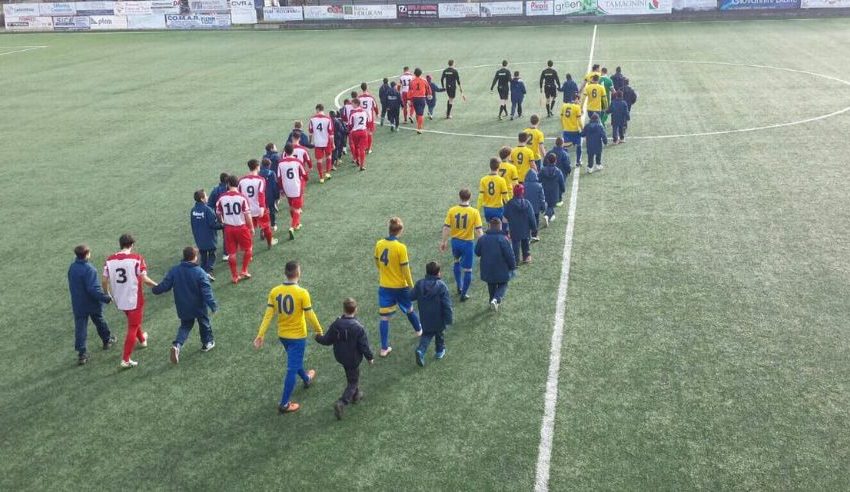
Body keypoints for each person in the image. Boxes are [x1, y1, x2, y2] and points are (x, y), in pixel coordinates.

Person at [254, 261, 323, 414]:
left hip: (283, 335)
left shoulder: (275, 291)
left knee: (295, 361)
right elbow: (310, 314)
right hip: (298, 336)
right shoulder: (302, 293)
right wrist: (319, 330)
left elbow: (268, 316)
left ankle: (306, 378)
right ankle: (284, 404)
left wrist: (260, 334)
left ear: (285, 273)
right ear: (298, 273)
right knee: (292, 368)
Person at [152, 246, 218, 364]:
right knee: (204, 322)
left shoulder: (175, 270)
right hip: (198, 306)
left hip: (182, 306)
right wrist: (213, 305)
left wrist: (155, 289)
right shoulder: (200, 272)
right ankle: (207, 342)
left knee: (185, 326)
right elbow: (206, 292)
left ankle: (177, 345)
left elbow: (164, 286)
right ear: (195, 257)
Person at [103, 233, 158, 369]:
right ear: (132, 245)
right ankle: (125, 359)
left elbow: (104, 280)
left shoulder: (109, 260)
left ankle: (142, 339)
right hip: (134, 297)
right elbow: (144, 279)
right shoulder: (137, 258)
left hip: (119, 298)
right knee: (132, 326)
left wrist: (108, 294)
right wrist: (158, 286)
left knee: (134, 321)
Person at [314, 297, 374, 420]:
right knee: (353, 382)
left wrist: (317, 337)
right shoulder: (358, 327)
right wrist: (370, 357)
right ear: (355, 310)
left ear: (344, 309)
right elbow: (363, 346)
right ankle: (342, 402)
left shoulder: (337, 323)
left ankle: (356, 395)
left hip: (340, 356)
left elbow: (327, 340)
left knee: (351, 374)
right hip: (353, 358)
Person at [374, 217, 422, 357]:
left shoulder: (379, 244)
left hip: (385, 286)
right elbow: (405, 270)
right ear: (400, 230)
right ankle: (419, 330)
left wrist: (385, 272)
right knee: (409, 309)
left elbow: (377, 262)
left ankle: (384, 349)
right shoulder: (401, 247)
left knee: (384, 318)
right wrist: (412, 286)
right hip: (401, 287)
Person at [68, 244, 114, 365]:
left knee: (80, 328)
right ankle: (107, 340)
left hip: (78, 303)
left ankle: (82, 354)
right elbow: (93, 289)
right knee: (99, 320)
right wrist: (106, 298)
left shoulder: (72, 268)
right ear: (87, 254)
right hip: (92, 303)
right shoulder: (89, 269)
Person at [440, 188, 483, 301]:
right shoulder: (474, 212)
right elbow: (478, 230)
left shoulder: (452, 210)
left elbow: (446, 227)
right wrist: (483, 243)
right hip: (467, 243)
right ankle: (463, 294)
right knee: (468, 270)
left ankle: (459, 286)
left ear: (459, 197)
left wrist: (444, 241)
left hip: (455, 242)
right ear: (470, 197)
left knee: (456, 262)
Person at [411, 262, 453, 367]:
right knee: (439, 334)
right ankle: (439, 351)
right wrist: (449, 319)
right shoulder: (441, 286)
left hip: (425, 317)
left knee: (427, 334)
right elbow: (447, 304)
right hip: (438, 317)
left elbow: (411, 296)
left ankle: (421, 350)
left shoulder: (420, 284)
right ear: (438, 273)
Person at [215, 175, 254, 284]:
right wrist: (251, 227)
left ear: (228, 184)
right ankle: (244, 270)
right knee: (248, 248)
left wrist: (222, 221)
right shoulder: (242, 197)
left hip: (228, 228)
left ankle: (234, 276)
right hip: (241, 227)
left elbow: (217, 213)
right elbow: (247, 215)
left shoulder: (222, 197)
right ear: (237, 184)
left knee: (231, 253)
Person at [474, 218, 517, 310]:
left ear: (489, 226)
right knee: (504, 283)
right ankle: (496, 299)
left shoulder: (482, 239)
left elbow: (477, 252)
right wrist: (513, 266)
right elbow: (510, 255)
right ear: (500, 227)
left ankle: (491, 301)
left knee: (491, 284)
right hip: (501, 267)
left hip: (487, 268)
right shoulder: (503, 239)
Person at [239, 159, 277, 250]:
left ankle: (249, 250)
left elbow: (240, 196)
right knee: (266, 226)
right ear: (257, 167)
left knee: (249, 230)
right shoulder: (260, 180)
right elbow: (261, 194)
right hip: (259, 208)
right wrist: (261, 207)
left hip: (247, 210)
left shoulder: (241, 180)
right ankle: (269, 243)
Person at [277, 143, 309, 240]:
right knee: (298, 208)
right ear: (292, 151)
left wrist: (281, 189)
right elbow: (304, 174)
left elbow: (279, 178)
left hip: (287, 188)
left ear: (285, 152)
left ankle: (297, 223)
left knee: (291, 206)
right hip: (296, 187)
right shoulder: (297, 161)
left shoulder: (280, 163)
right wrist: (306, 178)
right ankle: (292, 227)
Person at [190, 189, 222, 281]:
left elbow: (192, 224)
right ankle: (208, 272)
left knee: (203, 257)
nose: (207, 197)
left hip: (199, 238)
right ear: (202, 199)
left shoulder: (193, 210)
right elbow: (213, 224)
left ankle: (202, 274)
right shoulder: (207, 209)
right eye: (205, 196)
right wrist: (223, 226)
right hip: (210, 238)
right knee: (212, 255)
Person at [503, 184, 536, 264]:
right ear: (523, 192)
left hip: (514, 228)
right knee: (525, 243)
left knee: (515, 244)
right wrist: (534, 228)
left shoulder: (509, 204)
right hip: (525, 228)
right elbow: (532, 217)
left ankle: (516, 260)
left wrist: (506, 230)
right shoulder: (527, 203)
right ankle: (526, 257)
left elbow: (504, 219)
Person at [476, 158, 510, 223]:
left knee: (490, 227)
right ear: (499, 166)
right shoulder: (501, 180)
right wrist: (509, 207)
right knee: (500, 227)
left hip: (487, 209)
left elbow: (480, 197)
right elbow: (505, 197)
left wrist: (477, 209)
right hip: (498, 208)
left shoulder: (483, 179)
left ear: (490, 166)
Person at [308, 103, 335, 183]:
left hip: (317, 142)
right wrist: (333, 143)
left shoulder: (312, 119)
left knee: (319, 160)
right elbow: (331, 134)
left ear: (317, 109)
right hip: (327, 142)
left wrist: (310, 141)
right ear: (322, 109)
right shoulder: (328, 119)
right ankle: (328, 173)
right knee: (329, 156)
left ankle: (321, 178)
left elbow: (310, 132)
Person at [539, 154, 566, 227]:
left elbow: (538, 179)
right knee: (551, 205)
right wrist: (563, 189)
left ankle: (550, 215)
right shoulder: (558, 171)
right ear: (555, 161)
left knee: (548, 204)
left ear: (547, 160)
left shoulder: (543, 170)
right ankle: (547, 216)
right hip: (554, 191)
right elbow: (561, 182)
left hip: (544, 190)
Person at [208, 172, 230, 260]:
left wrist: (215, 215)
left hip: (219, 215)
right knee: (228, 233)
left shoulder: (215, 190)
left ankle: (227, 252)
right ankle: (226, 253)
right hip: (229, 215)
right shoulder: (228, 190)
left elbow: (210, 205)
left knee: (226, 233)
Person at [560, 94, 584, 167]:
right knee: (579, 146)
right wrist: (583, 129)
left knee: (566, 147)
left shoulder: (564, 106)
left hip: (566, 130)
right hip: (575, 131)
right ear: (576, 99)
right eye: (579, 100)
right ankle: (578, 161)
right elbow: (579, 121)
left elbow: (561, 118)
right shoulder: (577, 107)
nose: (579, 101)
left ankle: (566, 162)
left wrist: (564, 126)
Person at [523, 169, 546, 242]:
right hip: (536, 208)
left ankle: (527, 236)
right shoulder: (539, 186)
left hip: (526, 207)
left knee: (526, 221)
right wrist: (543, 207)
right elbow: (542, 198)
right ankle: (534, 235)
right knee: (536, 221)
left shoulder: (523, 185)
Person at [347, 98, 369, 170]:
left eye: (352, 103)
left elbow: (350, 124)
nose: (351, 105)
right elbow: (367, 122)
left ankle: (357, 160)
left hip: (355, 132)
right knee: (362, 149)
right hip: (363, 131)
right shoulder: (364, 112)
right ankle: (362, 165)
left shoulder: (353, 113)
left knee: (356, 147)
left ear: (356, 104)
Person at [409, 68, 433, 134]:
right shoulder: (424, 80)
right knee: (420, 114)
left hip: (414, 99)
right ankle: (419, 128)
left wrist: (410, 99)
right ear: (421, 73)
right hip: (422, 98)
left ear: (414, 73)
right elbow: (428, 88)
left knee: (417, 113)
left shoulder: (412, 81)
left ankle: (419, 126)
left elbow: (410, 91)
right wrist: (429, 94)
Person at [358, 83, 379, 153]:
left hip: (361, 117)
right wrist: (377, 113)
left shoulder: (359, 98)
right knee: (369, 133)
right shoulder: (371, 97)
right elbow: (375, 106)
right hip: (369, 117)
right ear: (367, 88)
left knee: (363, 132)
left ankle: (364, 147)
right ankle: (369, 149)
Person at [259, 158, 279, 231]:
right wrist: (277, 196)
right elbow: (274, 185)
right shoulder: (272, 173)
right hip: (270, 195)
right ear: (269, 165)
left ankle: (262, 227)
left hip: (262, 196)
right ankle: (273, 225)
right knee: (272, 210)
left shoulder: (258, 174)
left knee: (263, 211)